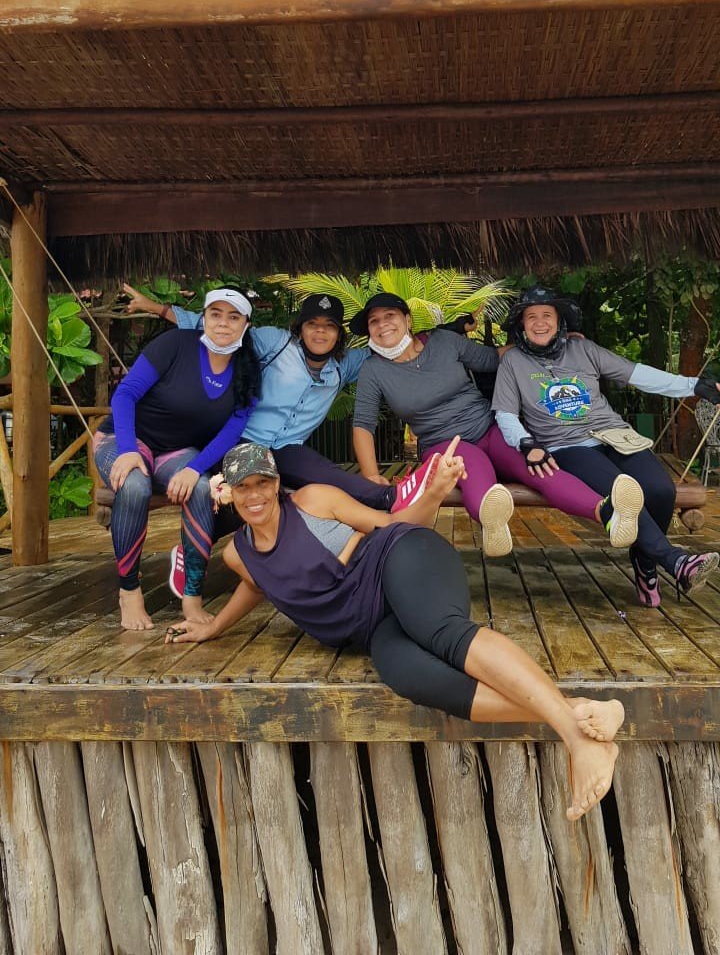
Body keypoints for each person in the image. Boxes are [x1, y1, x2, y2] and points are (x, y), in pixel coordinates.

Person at [167, 440, 623, 823]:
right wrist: (213, 627)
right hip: (373, 626)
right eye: (243, 487)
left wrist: (433, 494)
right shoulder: (238, 554)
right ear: (228, 493)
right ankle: (579, 711)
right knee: (407, 674)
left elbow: (393, 526)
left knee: (439, 632)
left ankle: (574, 736)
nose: (255, 495)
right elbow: (257, 585)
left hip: (401, 557)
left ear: (276, 483)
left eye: (262, 483)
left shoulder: (313, 501)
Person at [121, 285, 459, 593]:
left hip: (287, 450)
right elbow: (222, 327)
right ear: (300, 328)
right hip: (244, 441)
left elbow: (388, 344)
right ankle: (194, 547)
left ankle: (391, 500)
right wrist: (157, 308)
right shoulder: (276, 342)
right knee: (255, 492)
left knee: (315, 473)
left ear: (338, 334)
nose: (320, 332)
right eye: (313, 324)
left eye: (329, 326)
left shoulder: (343, 367)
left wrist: (447, 331)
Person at [351, 293, 644, 558]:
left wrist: (553, 341)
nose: (382, 324)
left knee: (538, 465)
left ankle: (606, 512)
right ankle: (492, 524)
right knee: (473, 469)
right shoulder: (373, 371)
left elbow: (493, 359)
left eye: (389, 316)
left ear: (407, 320)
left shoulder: (443, 341)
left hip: (489, 427)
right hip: (444, 444)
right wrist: (371, 474)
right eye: (374, 321)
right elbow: (363, 424)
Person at [492, 285, 720, 605]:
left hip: (614, 434)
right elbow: (505, 414)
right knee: (622, 492)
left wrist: (693, 386)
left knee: (660, 490)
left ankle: (644, 563)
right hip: (567, 445)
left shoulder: (583, 350)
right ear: (521, 324)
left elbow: (636, 374)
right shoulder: (513, 362)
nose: (539, 323)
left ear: (559, 321)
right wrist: (526, 443)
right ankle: (676, 561)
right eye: (531, 317)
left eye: (547, 315)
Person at [95, 288, 260, 630]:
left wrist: (195, 468)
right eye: (216, 314)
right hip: (125, 439)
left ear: (246, 325)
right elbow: (125, 394)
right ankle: (129, 590)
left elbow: (232, 430)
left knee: (200, 488)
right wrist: (128, 449)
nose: (223, 323)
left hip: (176, 452)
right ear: (204, 318)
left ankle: (192, 596)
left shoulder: (248, 369)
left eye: (233, 317)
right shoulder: (175, 345)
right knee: (135, 485)